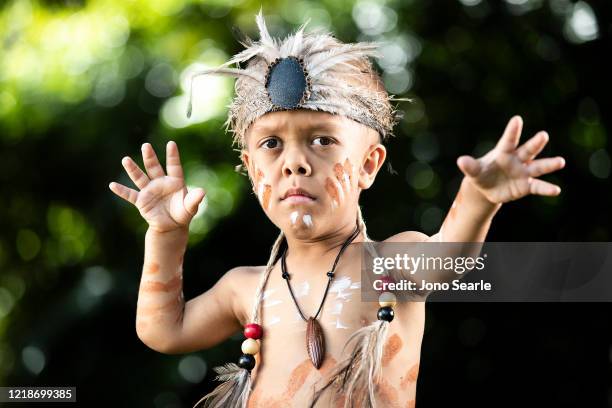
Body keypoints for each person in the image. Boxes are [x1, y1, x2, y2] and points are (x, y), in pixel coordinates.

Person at [108, 9, 565, 408]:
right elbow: (163, 331)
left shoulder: (388, 265)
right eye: (271, 144)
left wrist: (479, 197)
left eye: (322, 140)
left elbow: (451, 259)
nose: (295, 163)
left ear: (368, 164)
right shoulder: (244, 289)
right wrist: (166, 236)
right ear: (249, 168)